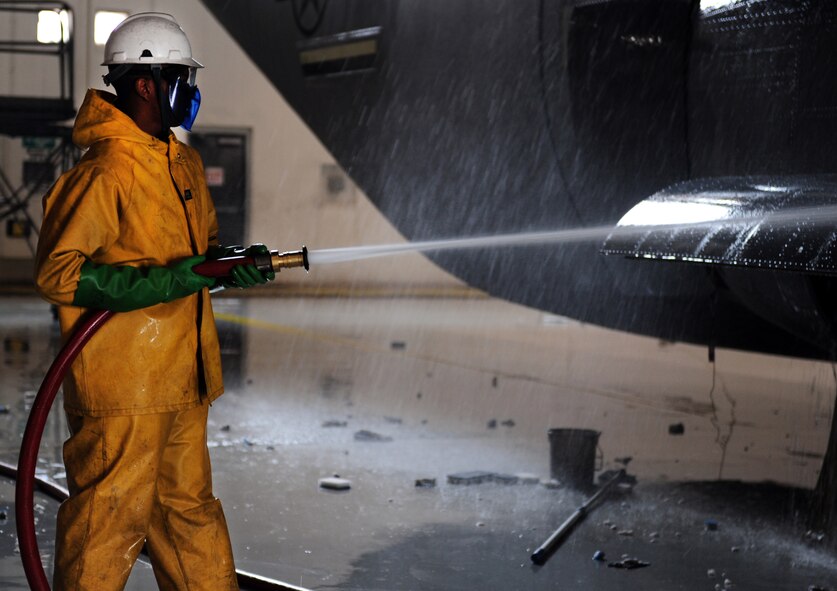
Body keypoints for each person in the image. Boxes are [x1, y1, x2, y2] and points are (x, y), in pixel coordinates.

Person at [34, 13, 269, 590]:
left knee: (189, 514)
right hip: (123, 388)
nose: (190, 91)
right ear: (146, 83)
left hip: (182, 378)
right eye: (181, 78)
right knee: (108, 521)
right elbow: (59, 274)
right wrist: (166, 281)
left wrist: (229, 263)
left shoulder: (181, 162)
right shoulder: (106, 172)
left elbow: (196, 255)